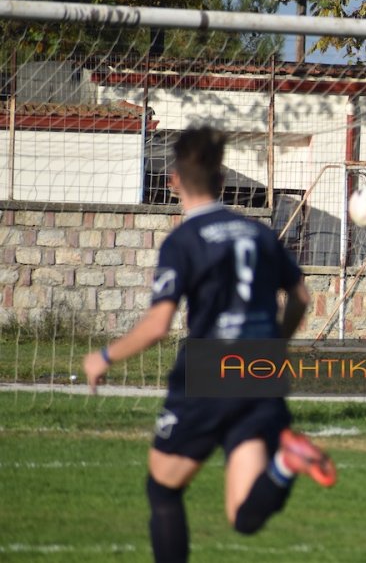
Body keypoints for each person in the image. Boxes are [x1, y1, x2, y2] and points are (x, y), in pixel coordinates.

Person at [84, 126, 335, 562]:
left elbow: (158, 324)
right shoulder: (257, 234)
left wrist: (105, 356)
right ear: (222, 180)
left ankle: (285, 463)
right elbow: (300, 297)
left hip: (207, 372)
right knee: (243, 515)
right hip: (260, 374)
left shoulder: (183, 241)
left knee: (162, 489)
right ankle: (285, 464)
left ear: (174, 180)